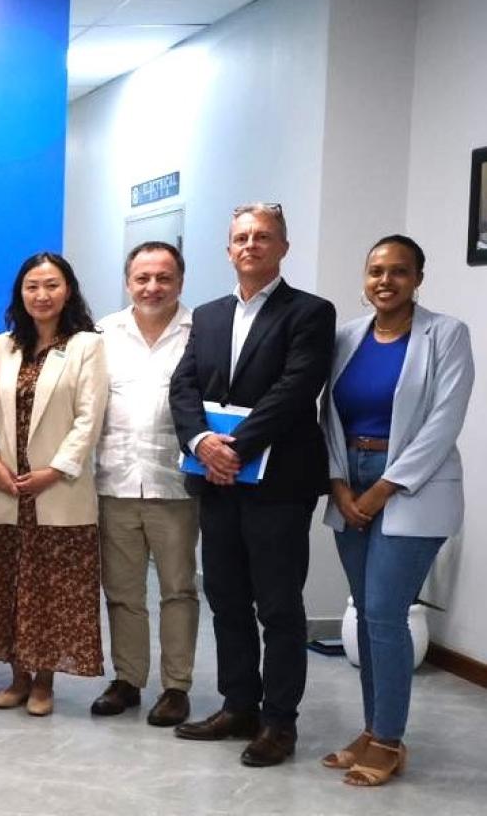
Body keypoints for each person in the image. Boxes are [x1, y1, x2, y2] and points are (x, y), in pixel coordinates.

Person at [169, 202, 335, 767]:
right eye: (241, 237)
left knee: (280, 607)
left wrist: (234, 448)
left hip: (279, 486)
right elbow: (183, 385)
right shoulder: (209, 315)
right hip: (217, 484)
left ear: (283, 247)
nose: (251, 245)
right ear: (228, 248)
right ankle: (239, 705)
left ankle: (279, 723)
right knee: (228, 600)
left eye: (263, 236)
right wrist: (201, 445)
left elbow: (296, 389)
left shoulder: (310, 313)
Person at [319, 235, 472, 786]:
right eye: (376, 271)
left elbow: (442, 424)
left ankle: (388, 739)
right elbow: (328, 415)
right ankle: (370, 728)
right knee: (366, 611)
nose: (386, 281)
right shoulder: (345, 338)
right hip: (349, 480)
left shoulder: (446, 335)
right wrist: (337, 481)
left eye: (399, 271)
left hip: (412, 486)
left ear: (418, 278)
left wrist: (383, 488)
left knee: (385, 613)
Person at [0, 251, 108, 717]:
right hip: (6, 488)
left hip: (57, 490)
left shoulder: (87, 345)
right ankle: (17, 677)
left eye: (51, 285)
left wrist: (54, 471)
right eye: (32, 286)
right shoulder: (2, 345)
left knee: (51, 588)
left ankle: (44, 682)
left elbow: (90, 420)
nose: (42, 295)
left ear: (67, 290)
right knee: (10, 585)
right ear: (20, 293)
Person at [89, 241, 199, 726]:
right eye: (142, 278)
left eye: (163, 278)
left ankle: (176, 686)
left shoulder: (202, 332)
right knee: (122, 590)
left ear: (179, 280)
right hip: (115, 481)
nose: (152, 287)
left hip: (174, 484)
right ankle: (128, 679)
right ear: (127, 281)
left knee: (178, 589)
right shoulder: (102, 334)